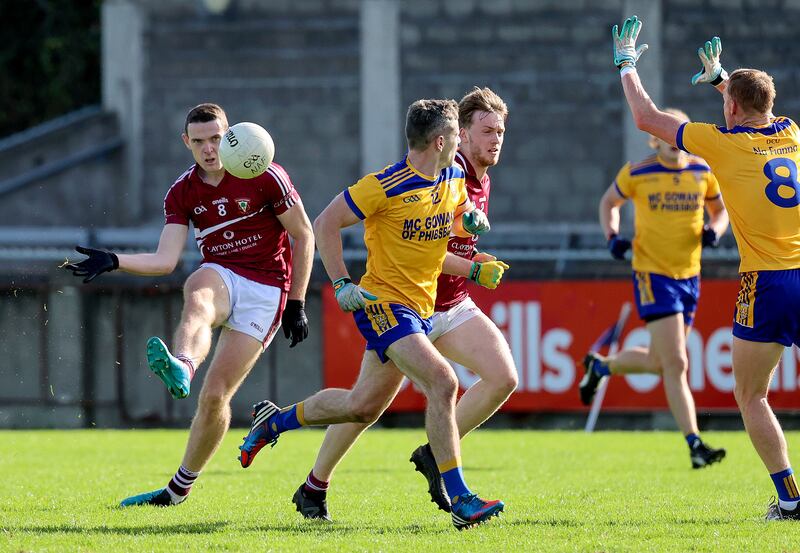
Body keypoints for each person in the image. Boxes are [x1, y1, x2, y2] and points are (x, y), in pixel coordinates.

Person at [237, 98, 506, 530]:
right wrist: (342, 282)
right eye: (455, 138)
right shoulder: (384, 185)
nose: (460, 145)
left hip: (421, 307)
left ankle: (275, 422)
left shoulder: (452, 176)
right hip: (384, 305)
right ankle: (461, 499)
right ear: (440, 142)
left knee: (361, 407)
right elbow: (324, 223)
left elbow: (451, 218)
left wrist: (469, 221)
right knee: (443, 382)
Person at [64, 103, 314, 507]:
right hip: (222, 273)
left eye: (216, 138)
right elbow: (165, 260)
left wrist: (297, 302)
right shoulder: (182, 192)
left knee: (215, 396)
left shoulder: (265, 174)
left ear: (229, 135)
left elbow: (303, 235)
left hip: (268, 288)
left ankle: (177, 491)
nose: (209, 149)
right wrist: (114, 260)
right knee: (197, 288)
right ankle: (183, 364)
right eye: (199, 142)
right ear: (187, 142)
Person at [610, 16, 800, 520]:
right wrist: (721, 78)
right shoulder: (791, 131)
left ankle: (789, 499)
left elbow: (646, 117)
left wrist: (626, 64)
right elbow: (752, 106)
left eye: (724, 101)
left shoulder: (722, 142)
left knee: (751, 395)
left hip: (767, 283)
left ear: (731, 108)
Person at [579, 107, 729, 469]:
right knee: (677, 363)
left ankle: (600, 368)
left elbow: (720, 210)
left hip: (689, 276)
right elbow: (608, 203)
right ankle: (695, 444)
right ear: (654, 140)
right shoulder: (638, 172)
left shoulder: (702, 171)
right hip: (652, 274)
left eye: (678, 131)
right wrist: (612, 236)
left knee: (659, 362)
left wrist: (715, 230)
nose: (672, 139)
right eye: (665, 133)